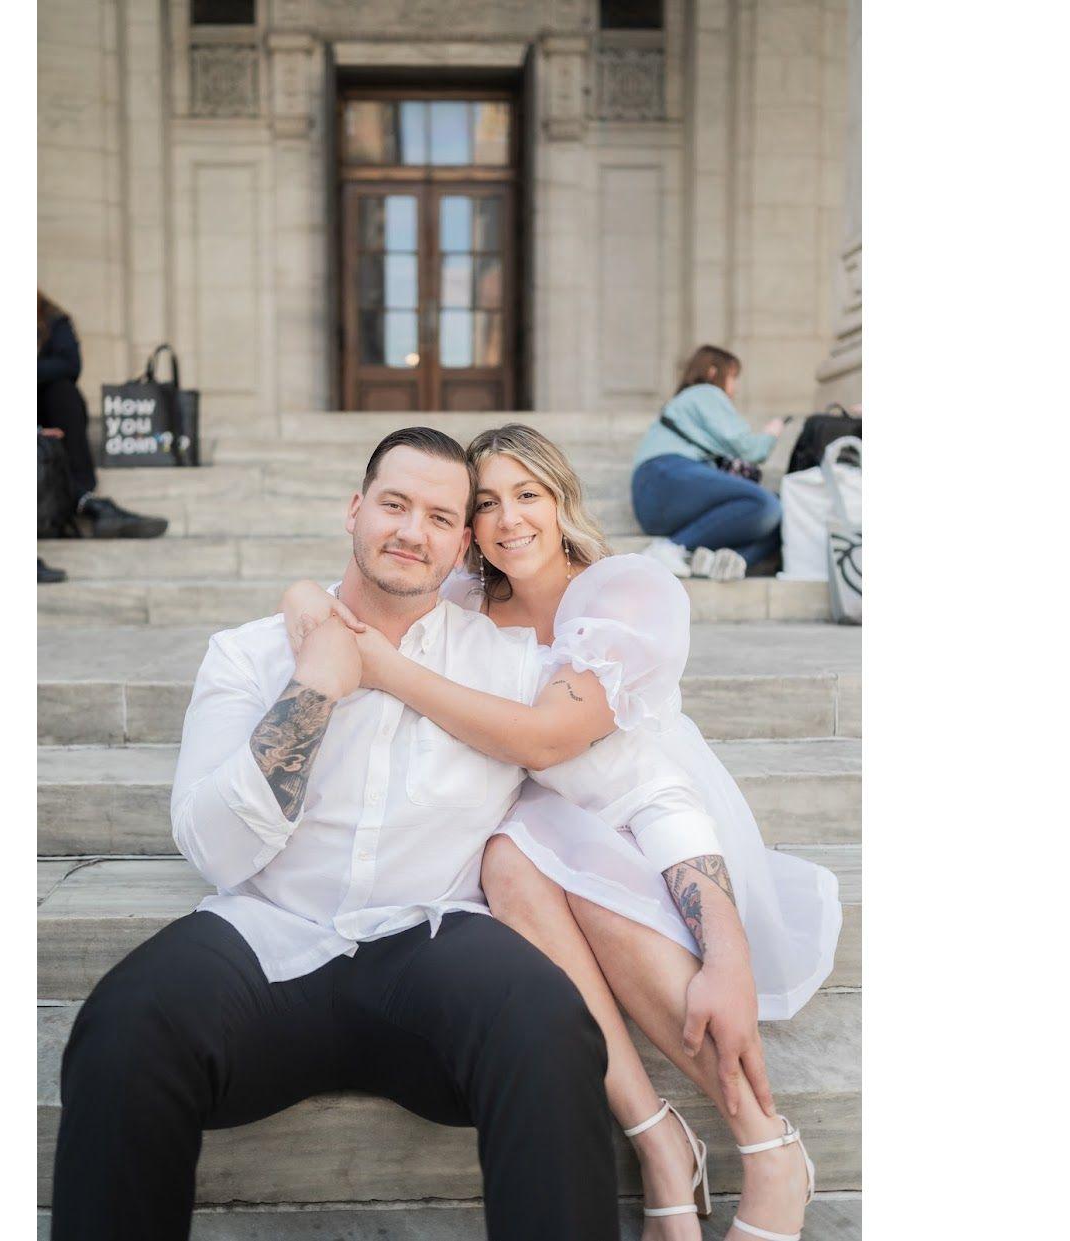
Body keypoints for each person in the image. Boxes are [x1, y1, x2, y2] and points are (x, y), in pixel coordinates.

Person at [51, 428, 623, 1241]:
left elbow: (623, 777)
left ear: (462, 543)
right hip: (267, 932)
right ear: (354, 509)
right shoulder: (247, 655)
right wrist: (315, 683)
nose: (409, 531)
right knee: (122, 1027)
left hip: (430, 940)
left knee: (547, 1022)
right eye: (393, 504)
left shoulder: (503, 666)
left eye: (437, 516)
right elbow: (214, 851)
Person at [282, 424, 839, 1241]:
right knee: (508, 849)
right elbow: (356, 594)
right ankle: (655, 1137)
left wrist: (726, 951)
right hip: (541, 841)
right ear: (466, 527)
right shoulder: (469, 603)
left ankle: (768, 1143)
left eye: (527, 495)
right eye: (486, 503)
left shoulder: (627, 594)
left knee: (531, 847)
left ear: (561, 499)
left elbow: (619, 774)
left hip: (657, 829)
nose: (508, 520)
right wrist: (302, 596)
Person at [631, 345, 786, 582]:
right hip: (665, 477)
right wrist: (771, 434)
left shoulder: (687, 405)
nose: (733, 391)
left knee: (781, 511)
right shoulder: (705, 392)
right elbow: (748, 448)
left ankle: (728, 561)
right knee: (766, 503)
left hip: (660, 499)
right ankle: (671, 548)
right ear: (714, 372)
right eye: (733, 378)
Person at [38, 290, 169, 540]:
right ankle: (86, 504)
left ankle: (83, 495)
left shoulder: (53, 320)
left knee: (63, 392)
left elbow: (70, 365)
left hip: (48, 410)